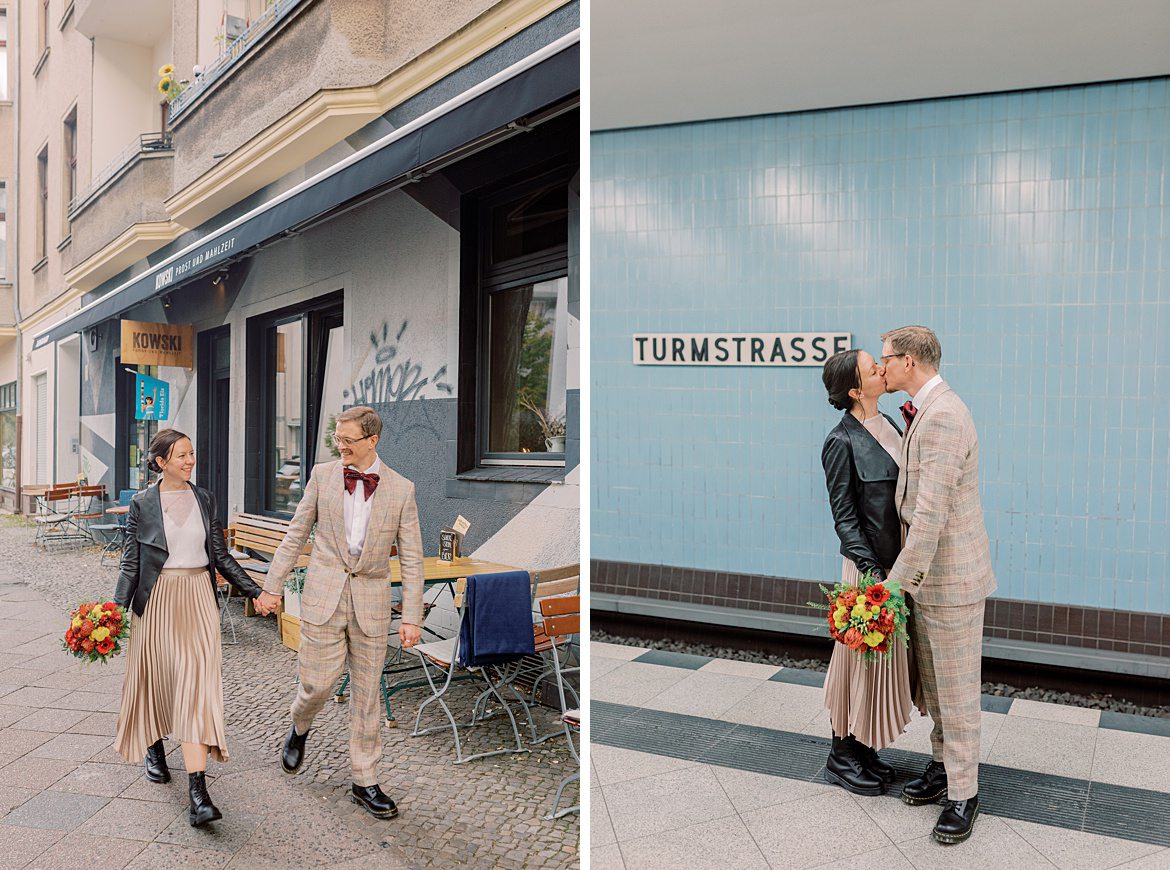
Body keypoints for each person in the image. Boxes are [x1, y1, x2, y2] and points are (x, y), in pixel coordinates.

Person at [255, 405, 424, 819]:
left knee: (367, 697)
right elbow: (295, 533)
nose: (340, 445)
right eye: (338, 438)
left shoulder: (402, 489)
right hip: (323, 596)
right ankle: (299, 726)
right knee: (316, 685)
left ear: (372, 441)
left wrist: (412, 617)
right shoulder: (321, 476)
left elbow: (414, 558)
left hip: (372, 602)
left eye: (348, 439)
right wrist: (271, 587)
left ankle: (364, 780)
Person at [113, 428, 269, 827]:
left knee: (197, 684)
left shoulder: (204, 498)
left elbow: (220, 555)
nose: (189, 460)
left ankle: (198, 792)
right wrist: (113, 613)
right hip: (158, 600)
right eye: (181, 455)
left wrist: (255, 591)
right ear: (161, 461)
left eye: (192, 453)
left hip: (198, 596)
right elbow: (131, 563)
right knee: (158, 680)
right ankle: (154, 746)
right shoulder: (142, 503)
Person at [880, 325, 996, 845]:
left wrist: (895, 585)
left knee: (956, 690)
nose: (881, 368)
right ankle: (941, 765)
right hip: (931, 578)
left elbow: (930, 516)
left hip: (948, 578)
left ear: (908, 361)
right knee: (935, 686)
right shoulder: (927, 410)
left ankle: (964, 793)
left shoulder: (945, 416)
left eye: (886, 359)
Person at [819, 349, 914, 797]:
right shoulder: (840, 442)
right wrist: (873, 573)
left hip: (892, 570)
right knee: (854, 660)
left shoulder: (891, 424)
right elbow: (844, 518)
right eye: (872, 367)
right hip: (867, 572)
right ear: (856, 390)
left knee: (875, 666)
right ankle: (840, 755)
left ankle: (861, 748)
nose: (882, 368)